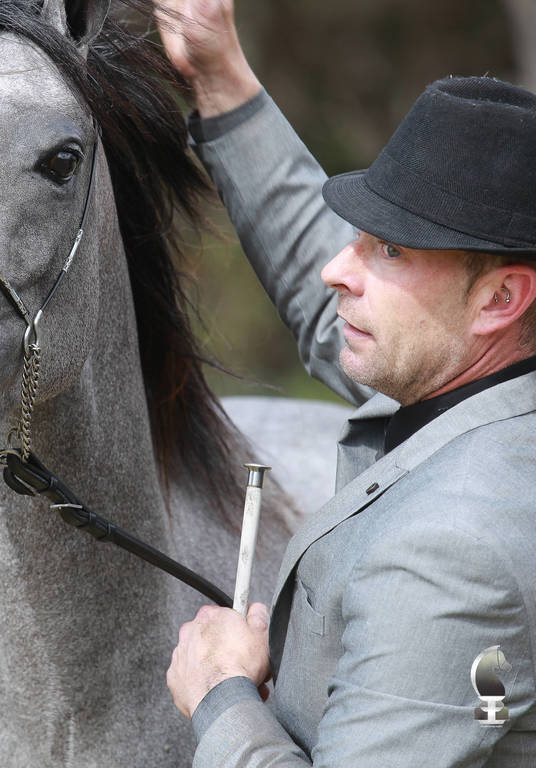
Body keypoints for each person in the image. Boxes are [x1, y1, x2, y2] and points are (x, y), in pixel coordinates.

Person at [154, 2, 536, 765]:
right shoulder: (457, 372)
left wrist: (222, 699)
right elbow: (312, 265)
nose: (338, 269)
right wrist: (220, 73)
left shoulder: (454, 553)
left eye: (388, 249)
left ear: (500, 300)